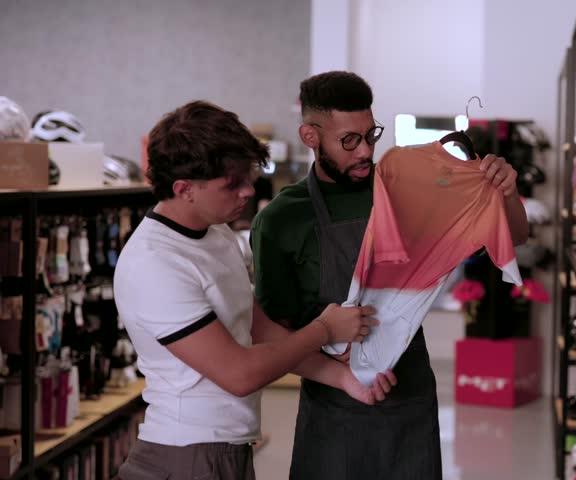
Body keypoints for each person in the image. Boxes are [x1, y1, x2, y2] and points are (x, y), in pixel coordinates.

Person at [251, 71, 529, 479]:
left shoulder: (402, 186)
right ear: (310, 136)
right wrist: (342, 377)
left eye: (371, 135)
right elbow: (270, 337)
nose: (365, 151)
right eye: (349, 140)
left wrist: (506, 192)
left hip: (410, 394)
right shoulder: (283, 220)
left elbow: (514, 236)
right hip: (333, 406)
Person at [114, 100, 397, 480]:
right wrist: (324, 330)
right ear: (184, 189)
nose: (248, 191)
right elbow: (239, 373)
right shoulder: (155, 264)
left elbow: (261, 331)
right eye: (232, 184)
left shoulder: (216, 233)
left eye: (249, 177)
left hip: (227, 450)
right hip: (187, 455)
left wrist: (342, 378)